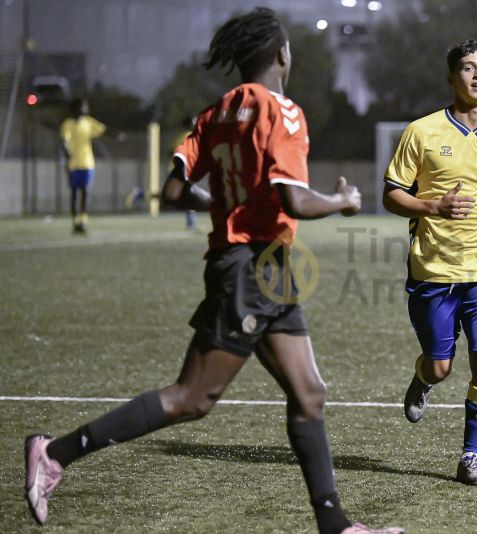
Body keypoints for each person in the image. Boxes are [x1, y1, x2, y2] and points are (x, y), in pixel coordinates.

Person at [25, 9, 403, 534]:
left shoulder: (216, 113)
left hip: (263, 266)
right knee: (191, 398)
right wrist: (342, 201)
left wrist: (226, 200)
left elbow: (175, 191)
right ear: (281, 55)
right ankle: (55, 453)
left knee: (308, 392)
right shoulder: (282, 111)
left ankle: (335, 525)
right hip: (250, 268)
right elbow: (292, 197)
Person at [382, 38, 477, 487]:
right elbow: (391, 195)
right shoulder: (421, 133)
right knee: (440, 366)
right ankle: (423, 378)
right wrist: (433, 207)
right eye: (467, 67)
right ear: (451, 77)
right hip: (433, 271)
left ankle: (470, 458)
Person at [60, 98, 106, 234]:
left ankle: (83, 221)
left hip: (87, 163)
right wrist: (67, 152)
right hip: (74, 164)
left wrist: (117, 134)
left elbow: (103, 130)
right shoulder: (67, 124)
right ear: (74, 109)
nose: (84, 109)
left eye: (85, 107)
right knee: (74, 194)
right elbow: (64, 140)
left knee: (86, 192)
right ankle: (75, 223)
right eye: (82, 107)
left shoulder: (88, 122)